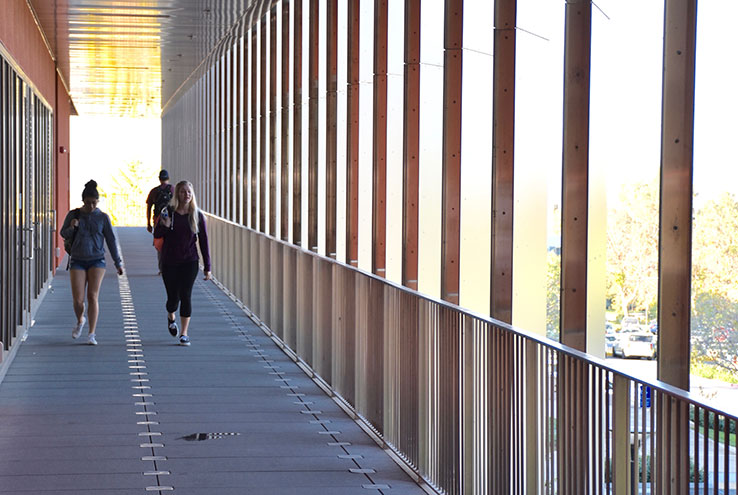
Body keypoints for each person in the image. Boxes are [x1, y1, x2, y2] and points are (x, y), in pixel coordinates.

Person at [60, 180, 124, 345]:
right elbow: (63, 233)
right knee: (78, 300)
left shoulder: (103, 217)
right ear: (83, 201)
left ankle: (91, 333)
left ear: (98, 201)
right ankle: (80, 319)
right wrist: (72, 227)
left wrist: (118, 263)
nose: (90, 206)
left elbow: (111, 240)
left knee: (93, 296)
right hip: (77, 260)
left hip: (97, 260)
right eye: (87, 203)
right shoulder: (74, 214)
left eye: (94, 203)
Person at [154, 180, 211, 346]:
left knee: (186, 295)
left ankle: (184, 333)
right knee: (173, 298)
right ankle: (171, 316)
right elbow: (157, 233)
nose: (186, 195)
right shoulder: (168, 212)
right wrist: (165, 226)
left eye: (189, 192)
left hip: (190, 261)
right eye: (183, 192)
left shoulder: (197, 215)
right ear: (177, 194)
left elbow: (204, 242)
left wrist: (208, 267)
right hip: (170, 261)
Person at [146, 169, 174, 273]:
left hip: (158, 221)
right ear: (168, 178)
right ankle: (170, 266)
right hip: (171, 221)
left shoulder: (154, 191)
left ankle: (162, 268)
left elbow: (148, 207)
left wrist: (148, 223)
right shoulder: (173, 189)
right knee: (171, 242)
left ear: (159, 179)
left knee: (159, 244)